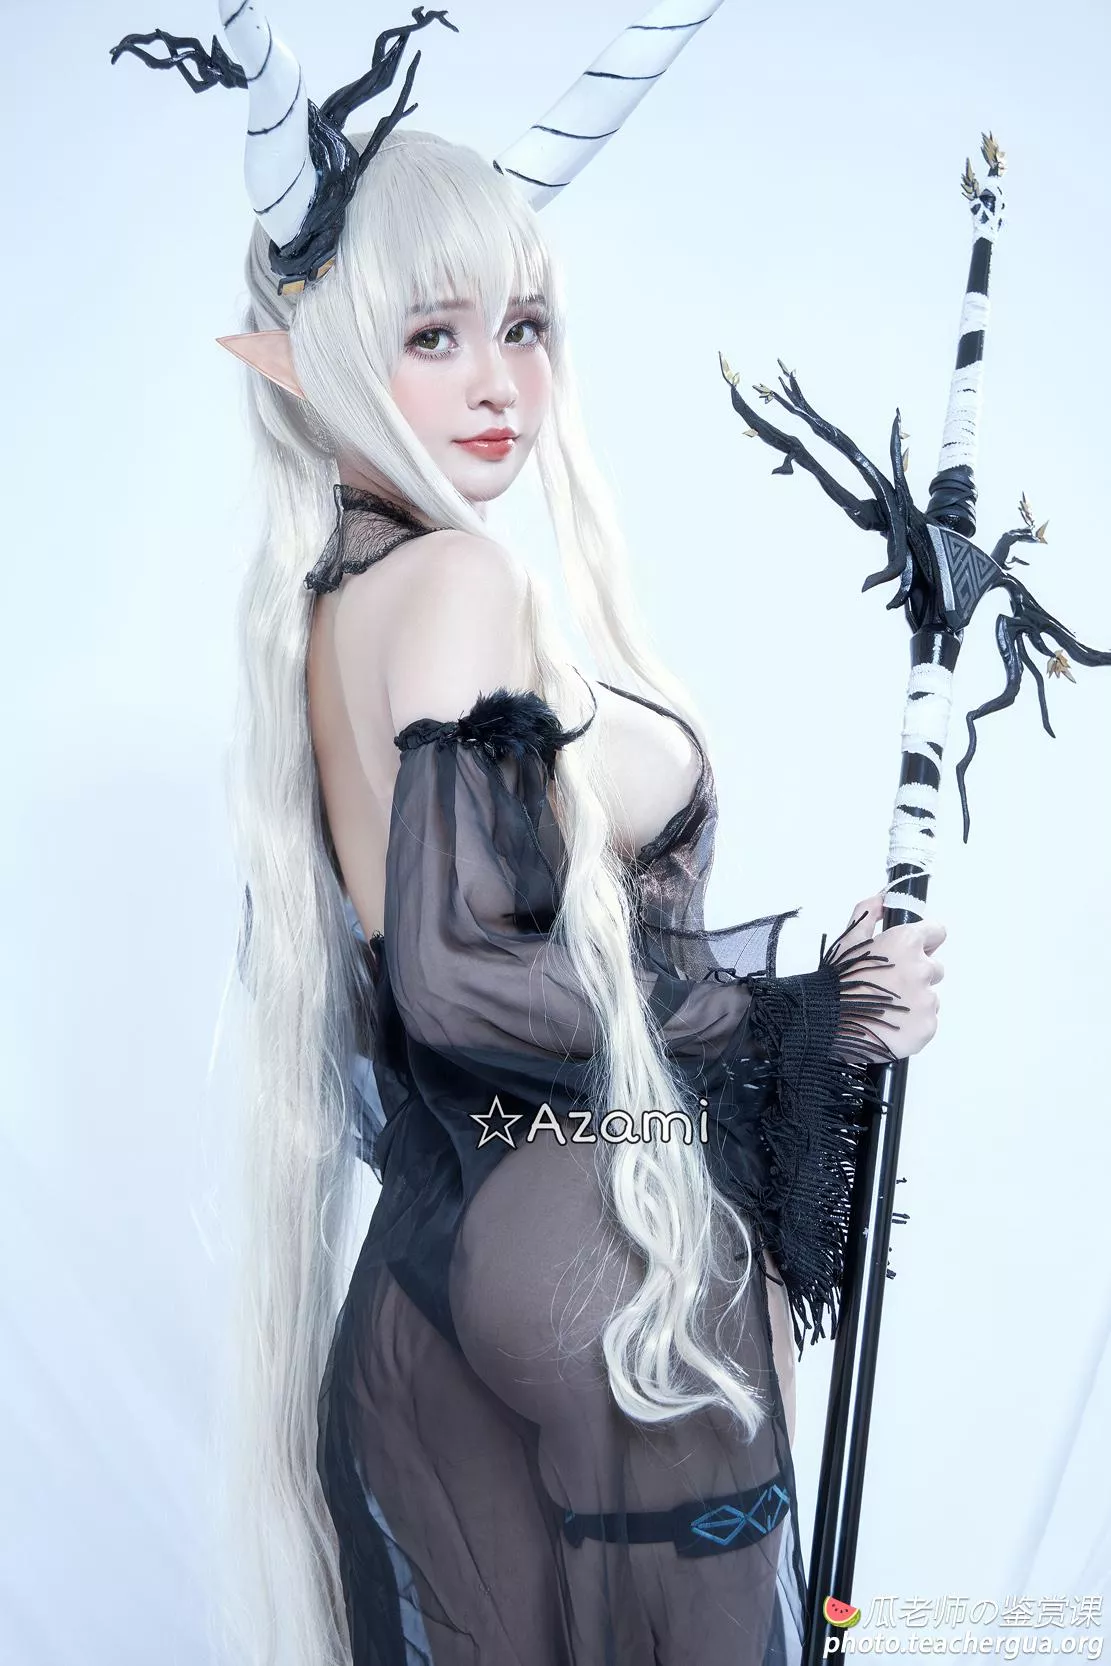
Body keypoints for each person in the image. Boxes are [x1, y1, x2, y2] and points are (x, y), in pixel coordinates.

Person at [111, 6, 945, 1664]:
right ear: (319, 350)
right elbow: (454, 975)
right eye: (432, 334)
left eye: (525, 323)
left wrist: (793, 979)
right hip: (595, 1271)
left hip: (433, 1276)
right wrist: (807, 1011)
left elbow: (454, 959)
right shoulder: (461, 579)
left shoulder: (331, 609)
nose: (499, 381)